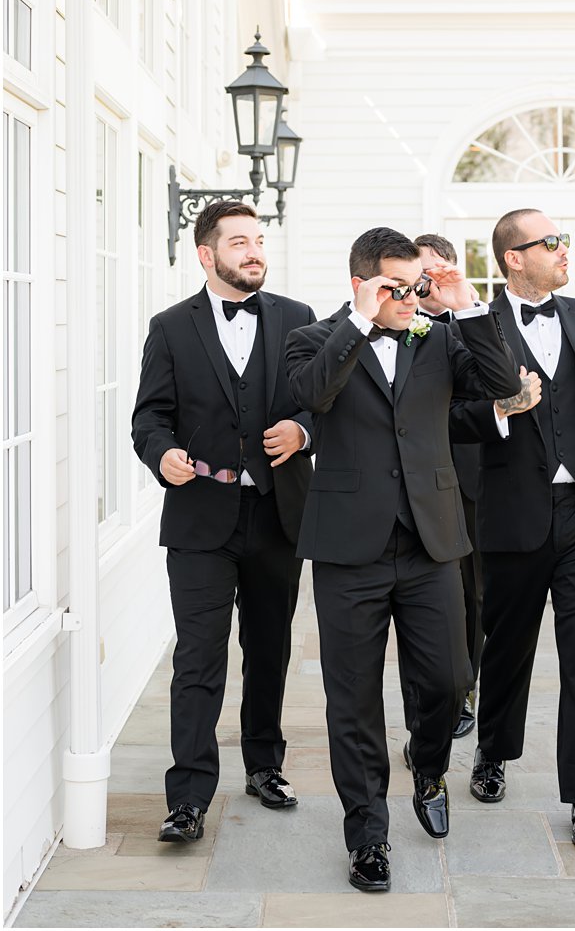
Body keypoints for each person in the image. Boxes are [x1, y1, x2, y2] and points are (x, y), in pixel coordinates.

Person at [285, 227, 520, 892]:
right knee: (352, 699)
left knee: (447, 680)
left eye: (415, 285)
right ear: (362, 283)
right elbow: (310, 394)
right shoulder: (314, 339)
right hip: (347, 549)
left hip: (431, 541)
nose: (409, 297)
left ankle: (430, 763)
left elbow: (501, 385)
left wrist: (466, 305)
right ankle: (367, 836)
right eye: (396, 287)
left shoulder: (440, 338)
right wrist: (360, 319)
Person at [450, 209, 575, 846]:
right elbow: (455, 414)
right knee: (506, 651)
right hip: (511, 517)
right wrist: (507, 408)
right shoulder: (481, 326)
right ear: (514, 257)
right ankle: (492, 752)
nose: (566, 250)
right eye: (551, 242)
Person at [130, 199, 315, 842]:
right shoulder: (170, 327)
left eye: (258, 240)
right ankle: (187, 796)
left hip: (276, 515)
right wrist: (163, 455)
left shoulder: (297, 319)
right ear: (207, 255)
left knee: (269, 651)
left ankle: (265, 767)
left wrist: (301, 429)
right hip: (199, 518)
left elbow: (321, 403)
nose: (254, 251)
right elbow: (147, 418)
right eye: (239, 242)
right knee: (198, 659)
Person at [410, 232, 541, 737]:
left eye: (437, 271)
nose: (428, 283)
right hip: (419, 479)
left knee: (476, 593)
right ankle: (437, 699)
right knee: (434, 596)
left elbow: (503, 385)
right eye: (420, 273)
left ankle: (468, 688)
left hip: (475, 472)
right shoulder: (393, 318)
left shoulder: (477, 320)